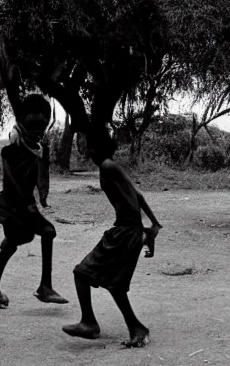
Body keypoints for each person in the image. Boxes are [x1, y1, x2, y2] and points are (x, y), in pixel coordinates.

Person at [62, 126, 161, 348]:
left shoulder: (107, 166)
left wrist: (148, 228)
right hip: (130, 231)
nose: (87, 149)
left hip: (124, 232)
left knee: (82, 272)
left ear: (99, 148)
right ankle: (136, 328)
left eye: (90, 145)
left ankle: (89, 322)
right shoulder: (110, 166)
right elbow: (138, 195)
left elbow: (135, 197)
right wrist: (151, 226)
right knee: (114, 284)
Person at [0, 93, 68, 309]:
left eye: (42, 126)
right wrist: (29, 207)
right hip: (12, 205)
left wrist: (41, 200)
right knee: (39, 233)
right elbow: (13, 183)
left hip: (24, 204)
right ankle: (43, 287)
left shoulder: (38, 149)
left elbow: (39, 179)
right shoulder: (11, 151)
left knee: (18, 240)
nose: (39, 131)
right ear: (23, 123)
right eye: (34, 126)